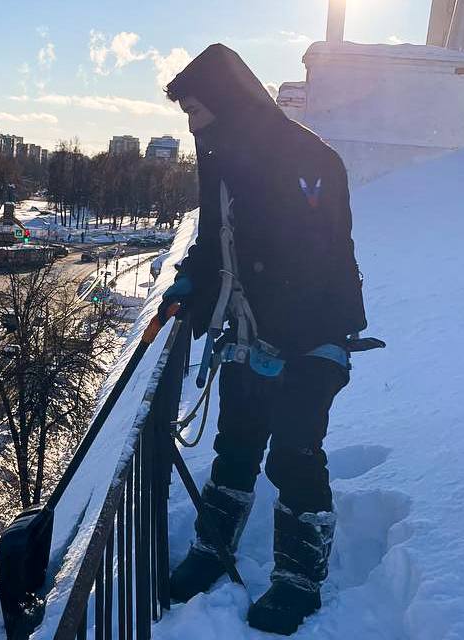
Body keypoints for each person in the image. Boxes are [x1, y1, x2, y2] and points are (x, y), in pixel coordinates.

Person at [158, 44, 368, 635]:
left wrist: (289, 346)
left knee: (294, 456)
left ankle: (298, 581)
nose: (192, 124)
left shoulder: (310, 159)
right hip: (249, 336)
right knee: (235, 447)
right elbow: (214, 239)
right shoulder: (221, 158)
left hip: (310, 339)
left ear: (223, 100)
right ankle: (211, 550)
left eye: (196, 110)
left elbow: (322, 256)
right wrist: (190, 282)